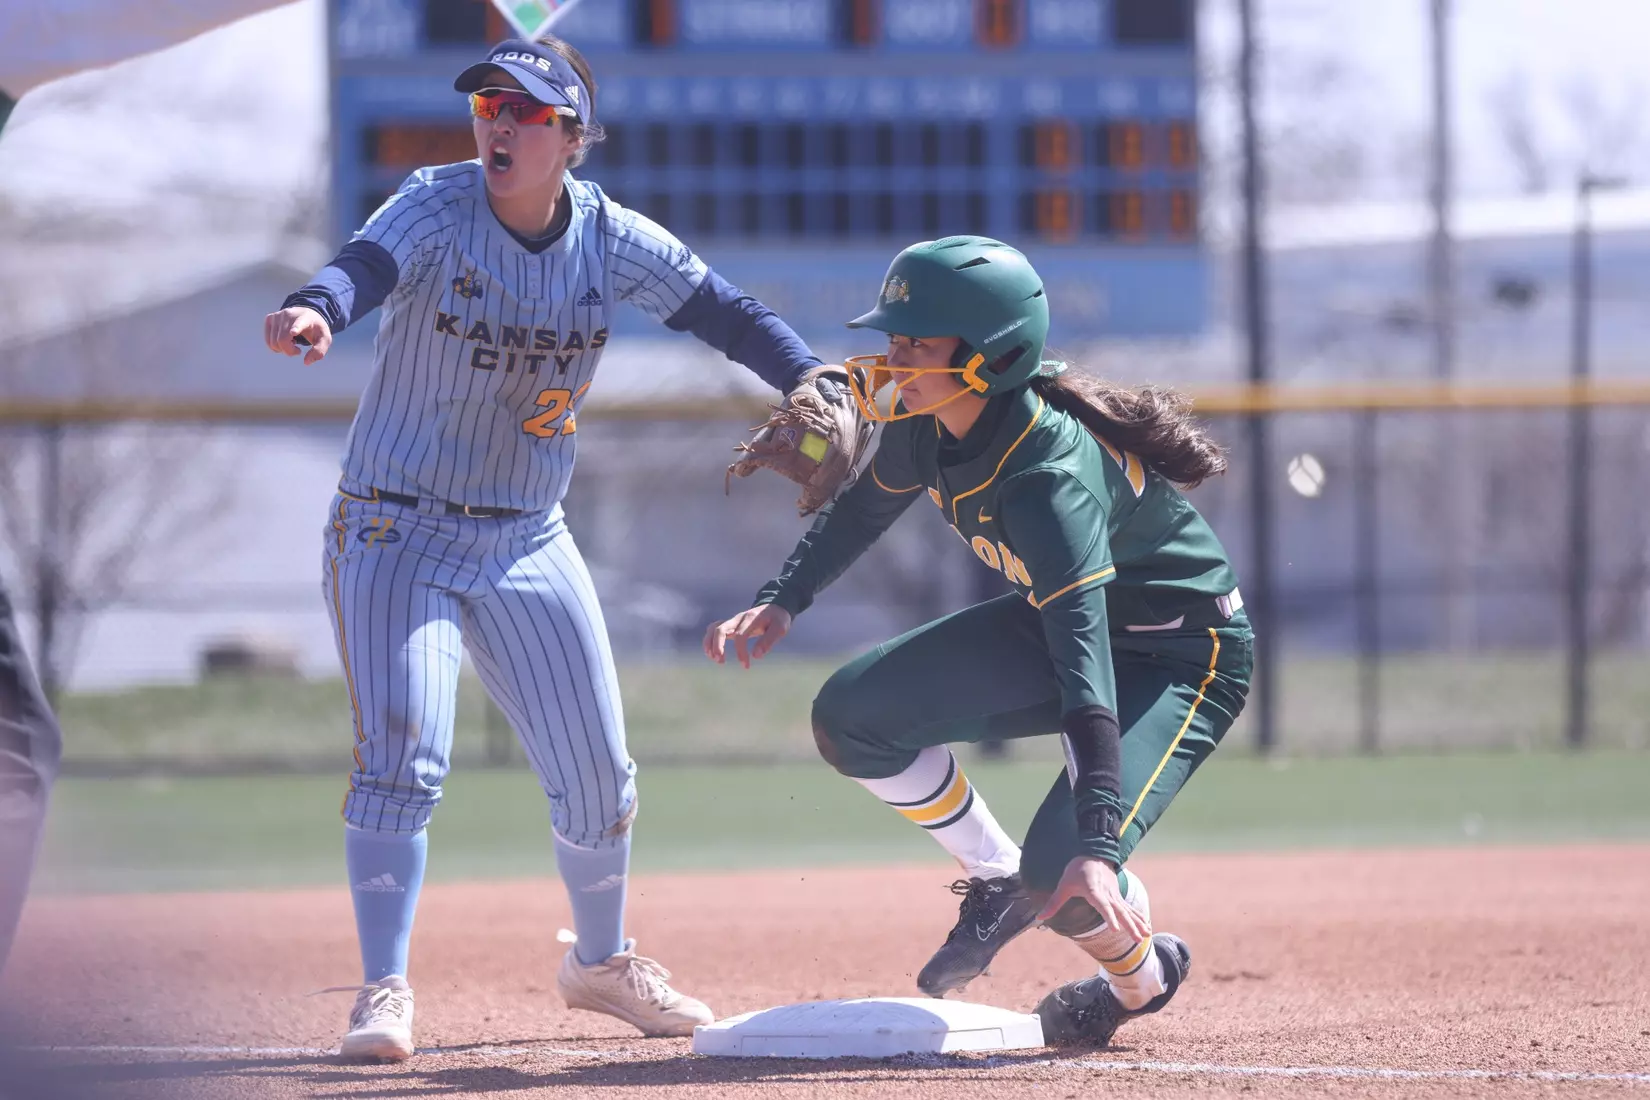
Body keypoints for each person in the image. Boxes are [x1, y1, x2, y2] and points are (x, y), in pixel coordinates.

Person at [265, 35, 832, 1060]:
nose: (497, 122)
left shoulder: (609, 238)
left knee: (599, 772)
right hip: (396, 526)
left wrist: (808, 375)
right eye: (488, 103)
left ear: (572, 136)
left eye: (525, 110)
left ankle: (601, 962)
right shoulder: (436, 206)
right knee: (406, 750)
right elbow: (362, 265)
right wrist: (316, 308)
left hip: (528, 534)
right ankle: (385, 987)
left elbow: (725, 311)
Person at [704, 236, 1254, 1047]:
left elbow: (1086, 669)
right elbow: (862, 511)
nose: (893, 361)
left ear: (991, 357)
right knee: (852, 715)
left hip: (1181, 657)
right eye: (892, 339)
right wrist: (782, 601)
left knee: (1065, 879)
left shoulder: (1048, 484)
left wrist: (1099, 844)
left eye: (917, 342)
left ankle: (1140, 980)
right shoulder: (928, 425)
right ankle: (997, 877)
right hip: (1065, 624)